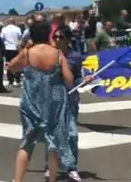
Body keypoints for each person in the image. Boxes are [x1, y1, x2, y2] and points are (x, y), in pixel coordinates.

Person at [7, 20, 75, 182]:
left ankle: (17, 180)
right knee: (53, 144)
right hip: (54, 103)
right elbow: (69, 80)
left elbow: (12, 67)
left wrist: (25, 49)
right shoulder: (58, 54)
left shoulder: (28, 53)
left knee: (26, 143)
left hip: (32, 102)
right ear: (48, 35)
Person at [54, 26, 86, 182]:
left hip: (71, 99)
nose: (57, 40)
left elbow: (78, 77)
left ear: (67, 39)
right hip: (53, 100)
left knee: (72, 134)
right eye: (55, 37)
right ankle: (51, 167)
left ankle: (72, 168)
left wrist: (84, 81)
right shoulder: (49, 54)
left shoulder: (75, 56)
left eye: (60, 37)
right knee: (53, 136)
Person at [1, 18, 23, 87]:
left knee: (8, 65)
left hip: (7, 49)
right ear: (14, 22)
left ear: (8, 22)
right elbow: (20, 38)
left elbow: (2, 38)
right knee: (17, 65)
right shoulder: (18, 29)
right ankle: (18, 81)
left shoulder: (4, 29)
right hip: (16, 49)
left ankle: (10, 81)